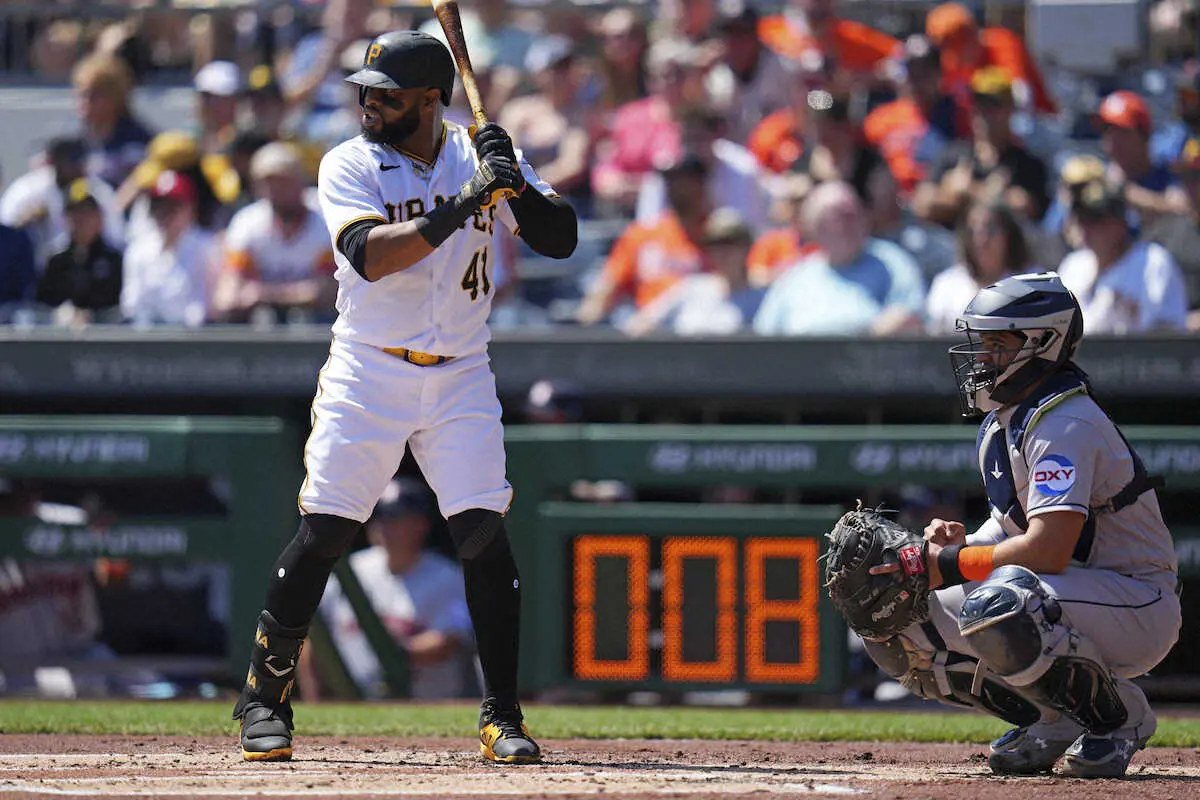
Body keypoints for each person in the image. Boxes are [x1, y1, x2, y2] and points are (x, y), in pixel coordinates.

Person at [230, 30, 577, 765]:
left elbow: (562, 240)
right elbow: (371, 255)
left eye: (386, 96)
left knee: (483, 534)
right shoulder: (349, 162)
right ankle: (264, 700)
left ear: (430, 100)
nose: (368, 104)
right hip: (370, 368)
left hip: (461, 371)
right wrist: (470, 198)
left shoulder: (478, 153)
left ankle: (502, 715)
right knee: (326, 529)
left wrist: (515, 183)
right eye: (365, 91)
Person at [863, 272, 1179, 778]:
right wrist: (960, 546)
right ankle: (1053, 719)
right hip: (1072, 592)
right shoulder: (1006, 420)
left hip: (1136, 600)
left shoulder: (1065, 421)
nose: (983, 357)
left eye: (998, 344)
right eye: (983, 343)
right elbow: (1013, 530)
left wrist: (953, 562)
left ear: (1043, 342)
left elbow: (1049, 547)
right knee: (901, 610)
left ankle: (1121, 718)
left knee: (1002, 603)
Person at [303, 478, 478, 700]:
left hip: (426, 703)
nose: (383, 525)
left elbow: (449, 641)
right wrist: (314, 700)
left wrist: (391, 656)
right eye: (378, 516)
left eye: (394, 517)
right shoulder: (349, 572)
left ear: (421, 524)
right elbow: (313, 638)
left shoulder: (450, 578)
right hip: (353, 702)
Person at [753, 181, 924, 336]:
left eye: (853, 214)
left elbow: (910, 315)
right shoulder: (795, 278)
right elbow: (764, 336)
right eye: (838, 216)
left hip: (869, 357)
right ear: (814, 226)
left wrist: (867, 339)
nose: (848, 224)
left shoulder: (890, 261)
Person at [577, 153, 711, 326]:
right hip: (648, 331)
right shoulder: (642, 234)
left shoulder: (720, 234)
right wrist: (588, 316)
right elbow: (609, 286)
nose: (676, 186)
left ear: (700, 182)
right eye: (671, 180)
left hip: (704, 329)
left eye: (683, 180)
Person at [212, 143, 337, 324]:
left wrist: (263, 293)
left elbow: (329, 291)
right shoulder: (247, 222)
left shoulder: (327, 217)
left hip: (322, 322)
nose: (277, 190)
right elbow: (227, 296)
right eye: (268, 183)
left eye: (284, 181)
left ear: (301, 181)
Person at [914, 68, 1049, 227]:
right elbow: (923, 204)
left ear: (1010, 109)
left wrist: (967, 191)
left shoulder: (1026, 164)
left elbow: (1025, 208)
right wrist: (987, 194)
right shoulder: (953, 153)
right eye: (978, 105)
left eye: (993, 106)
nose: (983, 114)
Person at [1056, 179, 1187, 334]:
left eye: (1095, 220)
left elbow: (1166, 333)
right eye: (1081, 218)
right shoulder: (1073, 265)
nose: (1086, 228)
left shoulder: (1154, 262)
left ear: (1120, 224)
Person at [623, 207, 763, 336]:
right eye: (715, 244)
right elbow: (643, 322)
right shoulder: (691, 287)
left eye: (731, 243)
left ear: (747, 247)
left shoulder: (760, 300)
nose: (723, 252)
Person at [120, 170, 217, 327]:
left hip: (196, 335)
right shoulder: (138, 250)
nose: (164, 213)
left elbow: (204, 306)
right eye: (159, 206)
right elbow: (132, 304)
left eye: (173, 206)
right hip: (148, 335)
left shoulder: (207, 247)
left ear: (190, 209)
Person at [925, 2, 1056, 115]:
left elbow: (1022, 95)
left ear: (972, 37)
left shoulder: (1002, 43)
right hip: (982, 130)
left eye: (959, 47)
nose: (956, 57)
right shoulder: (951, 60)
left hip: (1035, 121)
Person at [926, 201, 1031, 334]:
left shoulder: (1031, 283)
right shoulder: (947, 285)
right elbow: (932, 337)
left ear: (1009, 235)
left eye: (991, 230)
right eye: (973, 231)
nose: (982, 239)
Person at [37, 179, 124, 324]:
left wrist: (92, 317)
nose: (81, 219)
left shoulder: (115, 260)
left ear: (99, 217)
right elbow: (42, 306)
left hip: (105, 333)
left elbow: (122, 309)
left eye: (87, 212)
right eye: (74, 212)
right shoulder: (55, 260)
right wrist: (59, 314)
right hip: (61, 333)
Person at [72, 53, 154, 188]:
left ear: (116, 97)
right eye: (82, 94)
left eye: (94, 95)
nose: (85, 102)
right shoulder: (78, 141)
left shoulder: (137, 142)